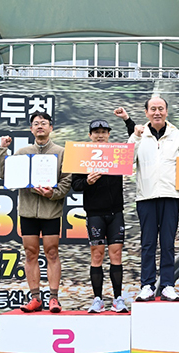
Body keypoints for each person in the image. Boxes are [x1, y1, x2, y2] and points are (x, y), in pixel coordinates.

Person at [0, 111, 71, 313]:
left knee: (52, 252)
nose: (40, 126)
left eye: (44, 123)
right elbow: (5, 174)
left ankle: (54, 298)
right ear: (31, 129)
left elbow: (67, 180)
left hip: (51, 211)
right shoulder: (22, 152)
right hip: (27, 211)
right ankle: (35, 298)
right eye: (36, 123)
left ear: (51, 128)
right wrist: (2, 150)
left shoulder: (61, 152)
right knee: (30, 253)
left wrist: (52, 194)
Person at [127, 97, 179, 302]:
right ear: (146, 112)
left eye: (161, 109)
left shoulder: (178, 136)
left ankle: (167, 285)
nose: (157, 112)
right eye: (153, 109)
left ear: (166, 111)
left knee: (167, 242)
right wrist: (135, 138)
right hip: (145, 196)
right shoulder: (139, 136)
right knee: (147, 243)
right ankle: (147, 285)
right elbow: (127, 163)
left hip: (171, 196)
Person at [71, 119, 128, 313]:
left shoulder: (117, 154)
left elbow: (134, 141)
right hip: (94, 213)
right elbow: (75, 184)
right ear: (90, 135)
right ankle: (97, 299)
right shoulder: (82, 157)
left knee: (116, 255)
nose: (100, 135)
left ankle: (118, 298)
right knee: (97, 255)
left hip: (116, 212)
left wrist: (129, 122)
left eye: (104, 131)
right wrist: (87, 181)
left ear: (109, 134)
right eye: (96, 132)